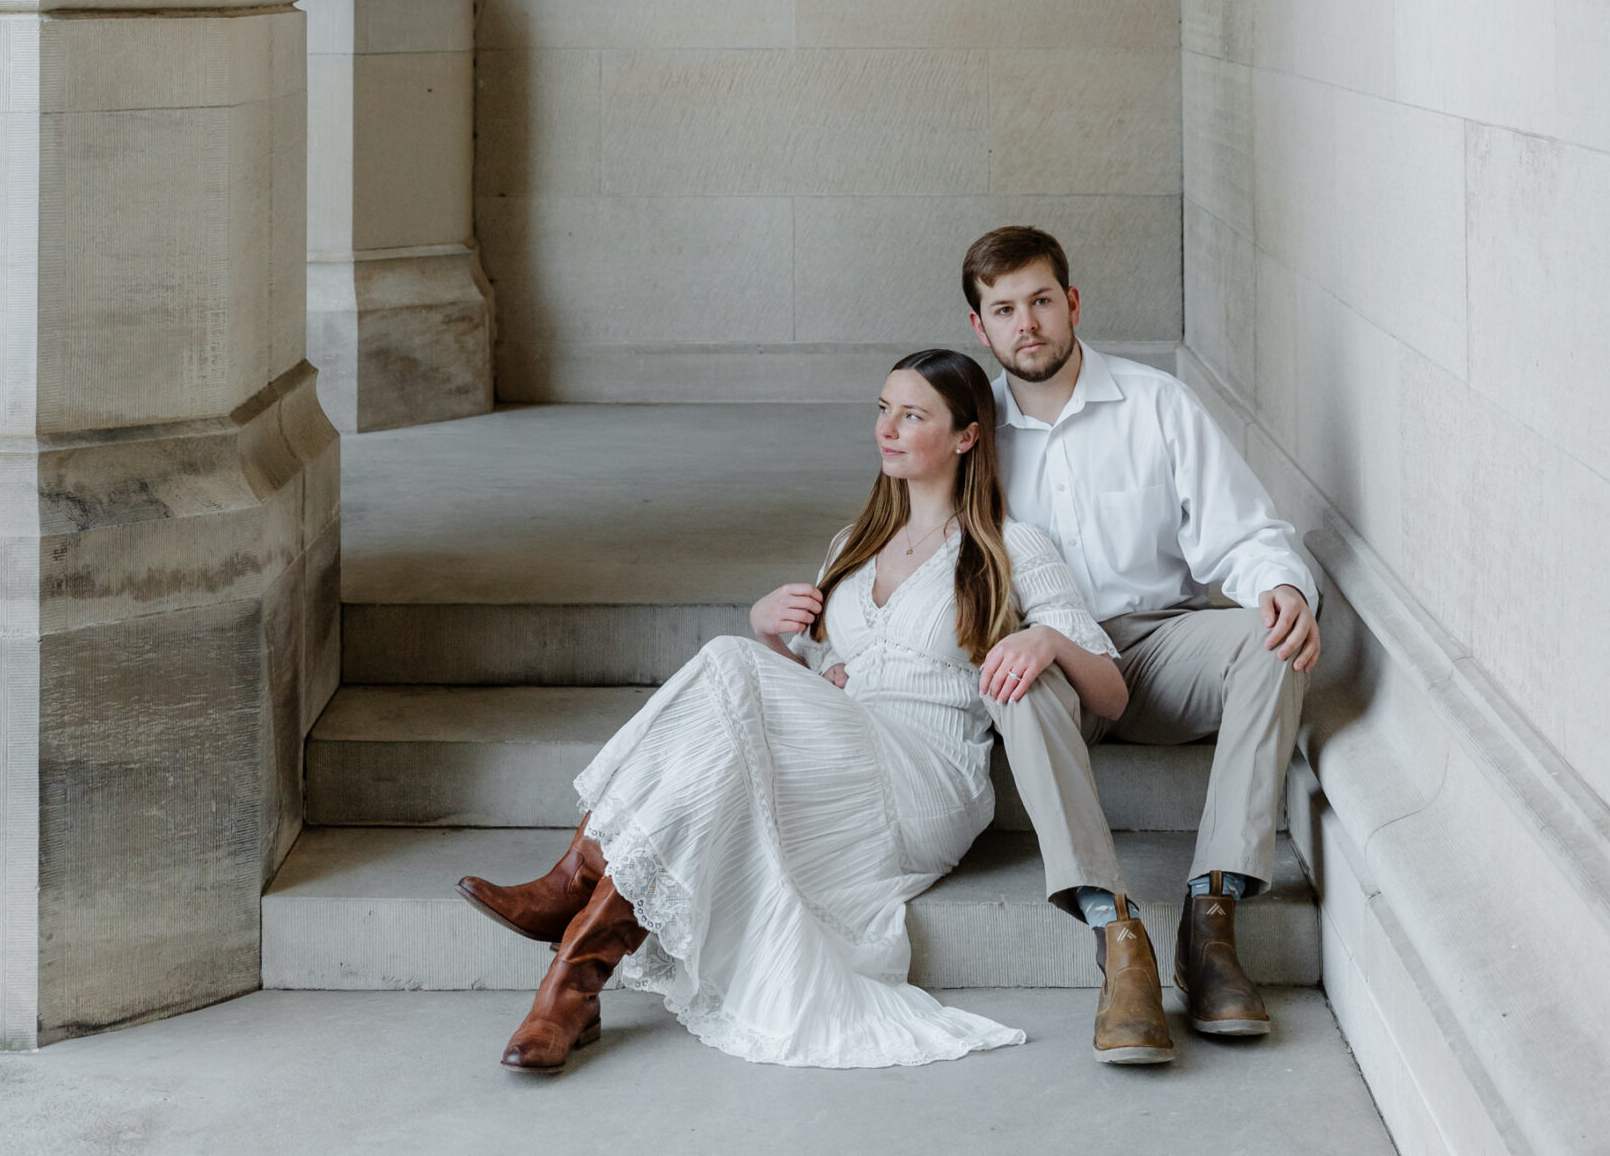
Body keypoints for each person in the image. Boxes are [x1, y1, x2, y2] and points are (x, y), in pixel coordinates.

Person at [457, 348, 1126, 1073]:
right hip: (840, 760)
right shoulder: (853, 547)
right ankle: (572, 987)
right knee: (712, 750)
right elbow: (780, 703)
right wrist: (767, 631)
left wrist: (1046, 637)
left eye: (912, 415)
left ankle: (574, 886)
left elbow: (1112, 693)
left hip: (923, 780)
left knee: (722, 664)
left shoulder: (1010, 546)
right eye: (881, 409)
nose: (887, 429)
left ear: (966, 437)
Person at [959, 224, 1321, 1066]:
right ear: (980, 328)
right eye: (1004, 309)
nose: (1028, 324)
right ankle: (1116, 936)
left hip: (1161, 647)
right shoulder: (974, 433)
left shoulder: (1156, 402)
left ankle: (1212, 917)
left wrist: (1282, 584)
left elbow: (1248, 530)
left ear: (1073, 302)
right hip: (1053, 661)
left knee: (1270, 641)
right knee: (1017, 676)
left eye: (1042, 300)